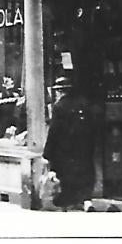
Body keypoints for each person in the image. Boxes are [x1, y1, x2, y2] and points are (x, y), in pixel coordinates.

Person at [42, 75, 95, 210]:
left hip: (65, 150)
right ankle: (86, 201)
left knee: (67, 176)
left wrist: (47, 153)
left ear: (60, 91)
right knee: (84, 173)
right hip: (83, 148)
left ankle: (67, 203)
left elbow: (54, 131)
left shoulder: (59, 107)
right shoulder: (84, 103)